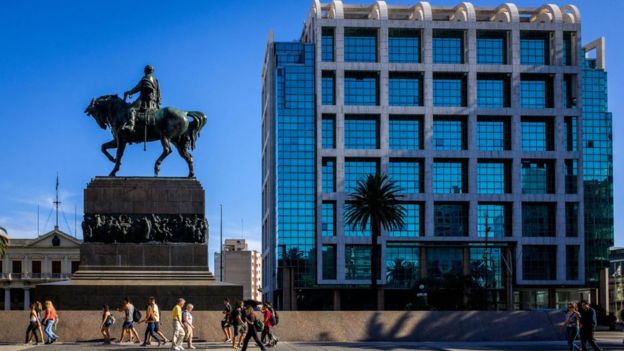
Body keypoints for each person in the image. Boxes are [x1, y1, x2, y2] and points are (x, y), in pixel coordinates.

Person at [123, 64, 161, 132]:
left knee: (131, 109)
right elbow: (159, 93)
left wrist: (129, 92)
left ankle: (131, 125)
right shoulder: (156, 80)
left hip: (145, 101)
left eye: (144, 70)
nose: (144, 71)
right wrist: (158, 103)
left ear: (146, 70)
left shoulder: (146, 78)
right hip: (154, 103)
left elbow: (138, 88)